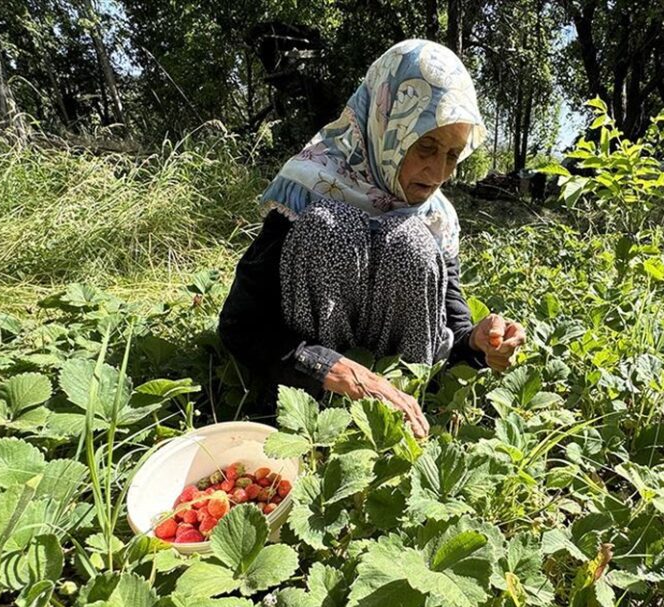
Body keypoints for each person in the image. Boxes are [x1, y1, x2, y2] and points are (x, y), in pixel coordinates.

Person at [218, 40, 526, 438]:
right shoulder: (310, 187)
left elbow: (454, 337)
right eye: (426, 146)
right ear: (386, 125)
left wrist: (481, 344)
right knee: (331, 226)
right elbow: (241, 325)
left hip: (402, 409)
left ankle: (402, 414)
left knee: (412, 241)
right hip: (311, 394)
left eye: (452, 155)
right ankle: (323, 414)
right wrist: (332, 369)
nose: (437, 173)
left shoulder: (435, 218)